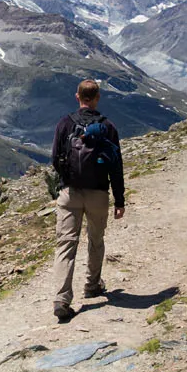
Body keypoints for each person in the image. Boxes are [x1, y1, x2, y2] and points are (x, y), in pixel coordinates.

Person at [49, 79, 125, 323]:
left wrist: (65, 182)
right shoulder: (108, 126)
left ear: (77, 96)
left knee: (66, 245)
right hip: (99, 194)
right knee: (96, 239)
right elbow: (116, 165)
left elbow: (54, 158)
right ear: (98, 97)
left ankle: (62, 299)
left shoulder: (64, 123)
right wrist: (119, 199)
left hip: (70, 192)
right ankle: (92, 285)